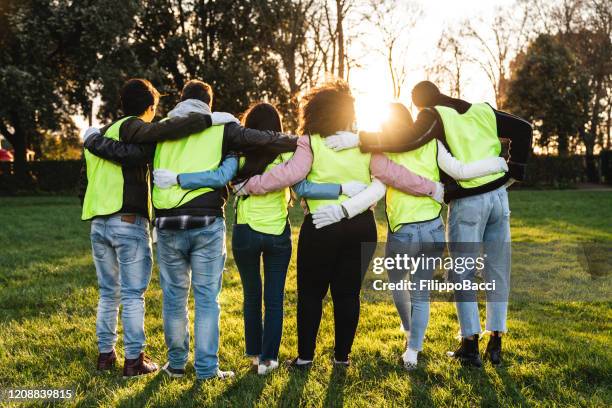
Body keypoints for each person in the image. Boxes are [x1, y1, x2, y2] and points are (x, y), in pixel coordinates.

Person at [85, 79, 299, 381]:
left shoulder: (161, 129)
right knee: (207, 298)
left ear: (181, 100)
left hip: (168, 224)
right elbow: (262, 139)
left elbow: (127, 154)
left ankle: (175, 365)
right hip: (206, 222)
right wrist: (298, 140)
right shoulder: (221, 127)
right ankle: (207, 369)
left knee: (174, 298)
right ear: (208, 104)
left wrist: (93, 139)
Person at [324, 81, 533, 367]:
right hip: (498, 198)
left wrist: (359, 138)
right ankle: (496, 341)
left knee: (463, 273)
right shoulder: (483, 111)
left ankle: (470, 345)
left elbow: (408, 138)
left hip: (469, 201)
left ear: (421, 105)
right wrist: (513, 170)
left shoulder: (433, 115)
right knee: (498, 268)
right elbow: (524, 130)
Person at [236, 81, 442, 369]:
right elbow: (393, 173)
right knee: (347, 295)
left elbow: (288, 175)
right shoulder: (364, 143)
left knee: (311, 294)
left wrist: (250, 185)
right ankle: (342, 358)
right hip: (361, 227)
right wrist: (431, 188)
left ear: (316, 111)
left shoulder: (310, 141)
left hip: (321, 227)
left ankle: (306, 357)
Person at [153, 102, 366, 375]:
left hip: (246, 233)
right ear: (276, 128)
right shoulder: (287, 155)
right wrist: (339, 188)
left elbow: (222, 177)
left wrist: (186, 179)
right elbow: (302, 185)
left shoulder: (239, 155)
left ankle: (254, 356)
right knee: (274, 299)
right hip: (277, 233)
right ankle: (270, 359)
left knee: (251, 296)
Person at [78, 78, 212, 378]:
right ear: (150, 108)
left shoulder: (101, 134)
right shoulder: (131, 127)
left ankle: (105, 355)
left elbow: (126, 158)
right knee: (132, 294)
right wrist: (201, 119)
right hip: (127, 221)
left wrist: (94, 141)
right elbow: (161, 132)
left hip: (98, 223)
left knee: (107, 292)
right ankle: (134, 359)